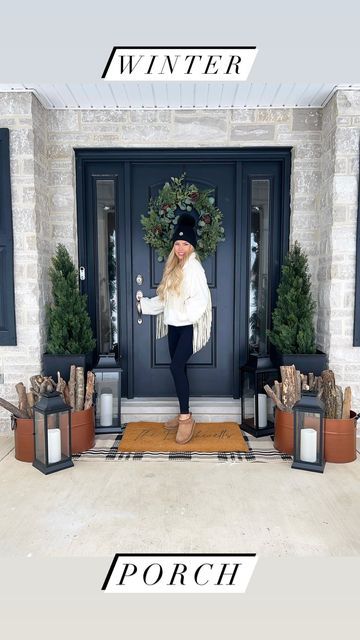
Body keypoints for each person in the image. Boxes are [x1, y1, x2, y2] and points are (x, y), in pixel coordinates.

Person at [136, 212, 212, 444]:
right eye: (177, 243)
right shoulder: (175, 267)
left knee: (176, 367)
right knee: (180, 369)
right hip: (174, 327)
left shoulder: (194, 269)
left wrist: (180, 314)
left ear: (192, 246)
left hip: (188, 327)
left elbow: (201, 300)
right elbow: (165, 299)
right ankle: (183, 413)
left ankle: (186, 419)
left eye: (185, 244)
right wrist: (144, 305)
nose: (180, 248)